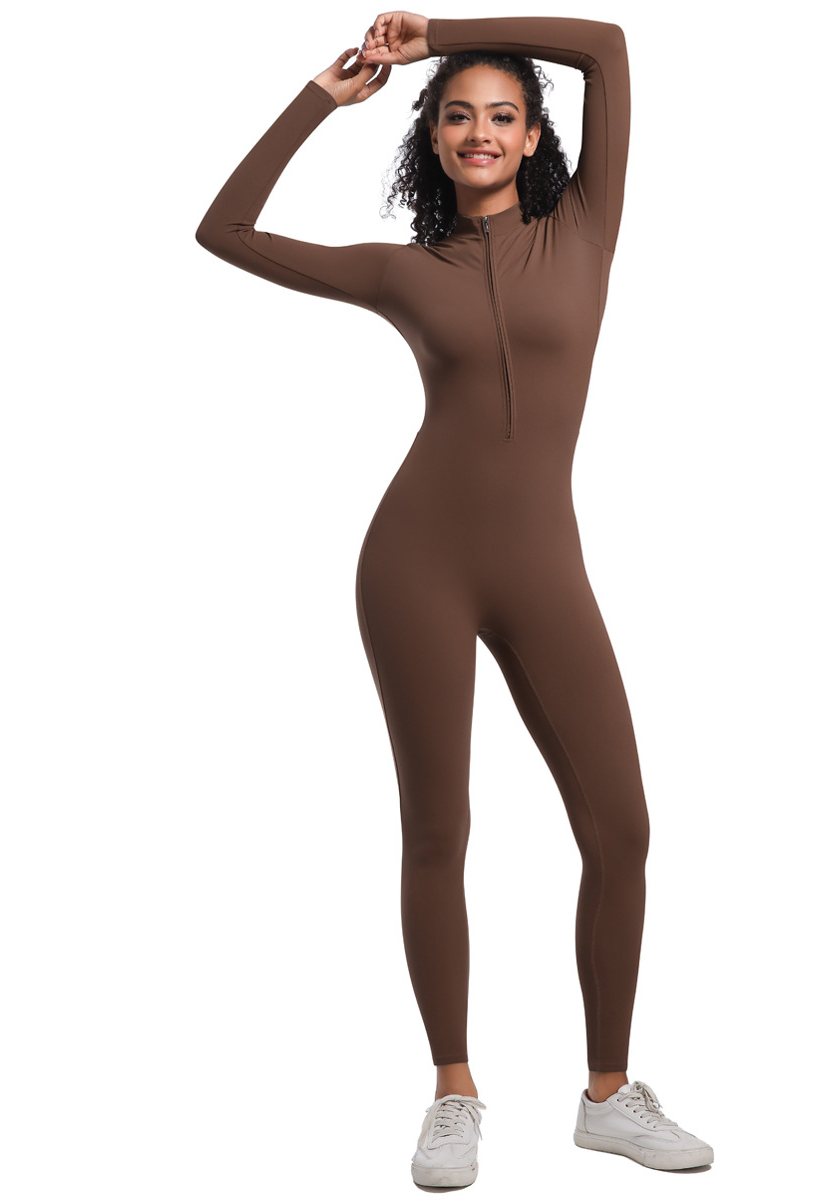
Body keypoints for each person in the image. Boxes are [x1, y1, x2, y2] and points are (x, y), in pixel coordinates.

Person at [195, 10, 714, 1187]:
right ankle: (452, 1093)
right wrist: (323, 98)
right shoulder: (403, 271)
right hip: (414, 563)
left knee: (623, 827)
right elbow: (223, 230)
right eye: (459, 117)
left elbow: (606, 46)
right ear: (431, 140)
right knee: (439, 828)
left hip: (543, 564)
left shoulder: (585, 228)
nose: (480, 131)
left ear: (534, 138)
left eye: (502, 115)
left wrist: (433, 40)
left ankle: (608, 1094)